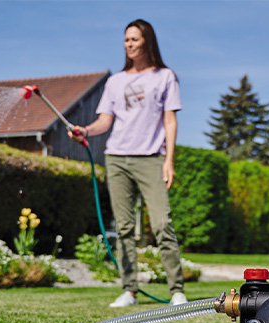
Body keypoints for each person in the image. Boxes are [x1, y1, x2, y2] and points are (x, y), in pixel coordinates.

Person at [69, 19, 187, 307]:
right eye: (126, 40)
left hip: (151, 158)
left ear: (147, 41)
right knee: (123, 228)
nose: (129, 44)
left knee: (161, 224)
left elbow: (170, 120)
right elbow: (105, 121)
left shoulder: (164, 77)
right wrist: (85, 130)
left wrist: (168, 160)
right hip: (117, 158)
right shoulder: (115, 81)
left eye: (134, 39)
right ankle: (130, 290)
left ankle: (177, 291)